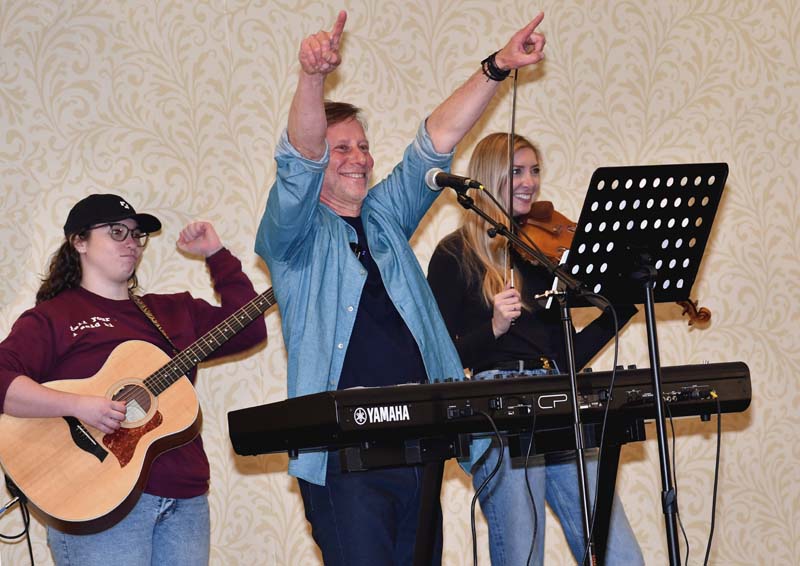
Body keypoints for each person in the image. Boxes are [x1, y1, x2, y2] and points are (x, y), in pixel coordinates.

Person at [255, 9, 547, 565]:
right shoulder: (293, 237)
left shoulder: (383, 218)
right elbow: (298, 160)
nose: (360, 158)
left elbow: (434, 141)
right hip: (345, 459)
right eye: (342, 149)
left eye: (364, 147)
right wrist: (312, 78)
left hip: (422, 443)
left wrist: (498, 66)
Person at [0, 193, 267, 566]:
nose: (131, 243)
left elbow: (249, 330)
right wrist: (79, 405)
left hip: (184, 498)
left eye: (136, 235)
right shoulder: (52, 318)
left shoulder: (172, 312)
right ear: (79, 242)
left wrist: (216, 254)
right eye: (116, 232)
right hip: (95, 501)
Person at [427, 132, 644, 565]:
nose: (530, 182)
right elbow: (442, 358)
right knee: (524, 553)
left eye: (535, 171)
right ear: (489, 177)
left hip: (561, 399)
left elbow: (564, 358)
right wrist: (493, 327)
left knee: (619, 554)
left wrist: (619, 309)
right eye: (517, 171)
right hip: (500, 409)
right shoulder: (453, 255)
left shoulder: (539, 257)